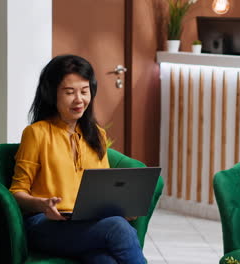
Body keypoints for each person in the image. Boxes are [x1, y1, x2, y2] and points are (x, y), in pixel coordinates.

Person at [9, 54, 145, 263]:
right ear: (52, 93)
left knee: (105, 260)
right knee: (118, 227)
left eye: (84, 91)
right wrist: (43, 204)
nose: (79, 99)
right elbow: (17, 193)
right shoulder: (36, 133)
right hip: (45, 225)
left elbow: (104, 190)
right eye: (69, 92)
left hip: (87, 224)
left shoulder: (97, 134)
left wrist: (122, 207)